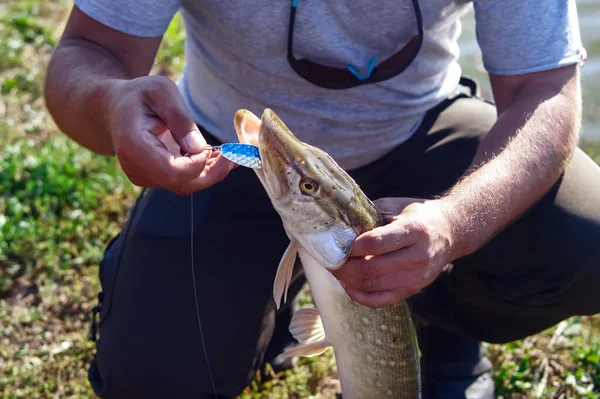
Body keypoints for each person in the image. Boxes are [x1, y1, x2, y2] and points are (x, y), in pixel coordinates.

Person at [44, 0, 599, 398]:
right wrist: (110, 103)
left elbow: (545, 90)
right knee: (153, 379)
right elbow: (91, 51)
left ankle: (444, 329)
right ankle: (248, 298)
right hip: (232, 153)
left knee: (586, 245)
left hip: (420, 132)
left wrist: (456, 224)